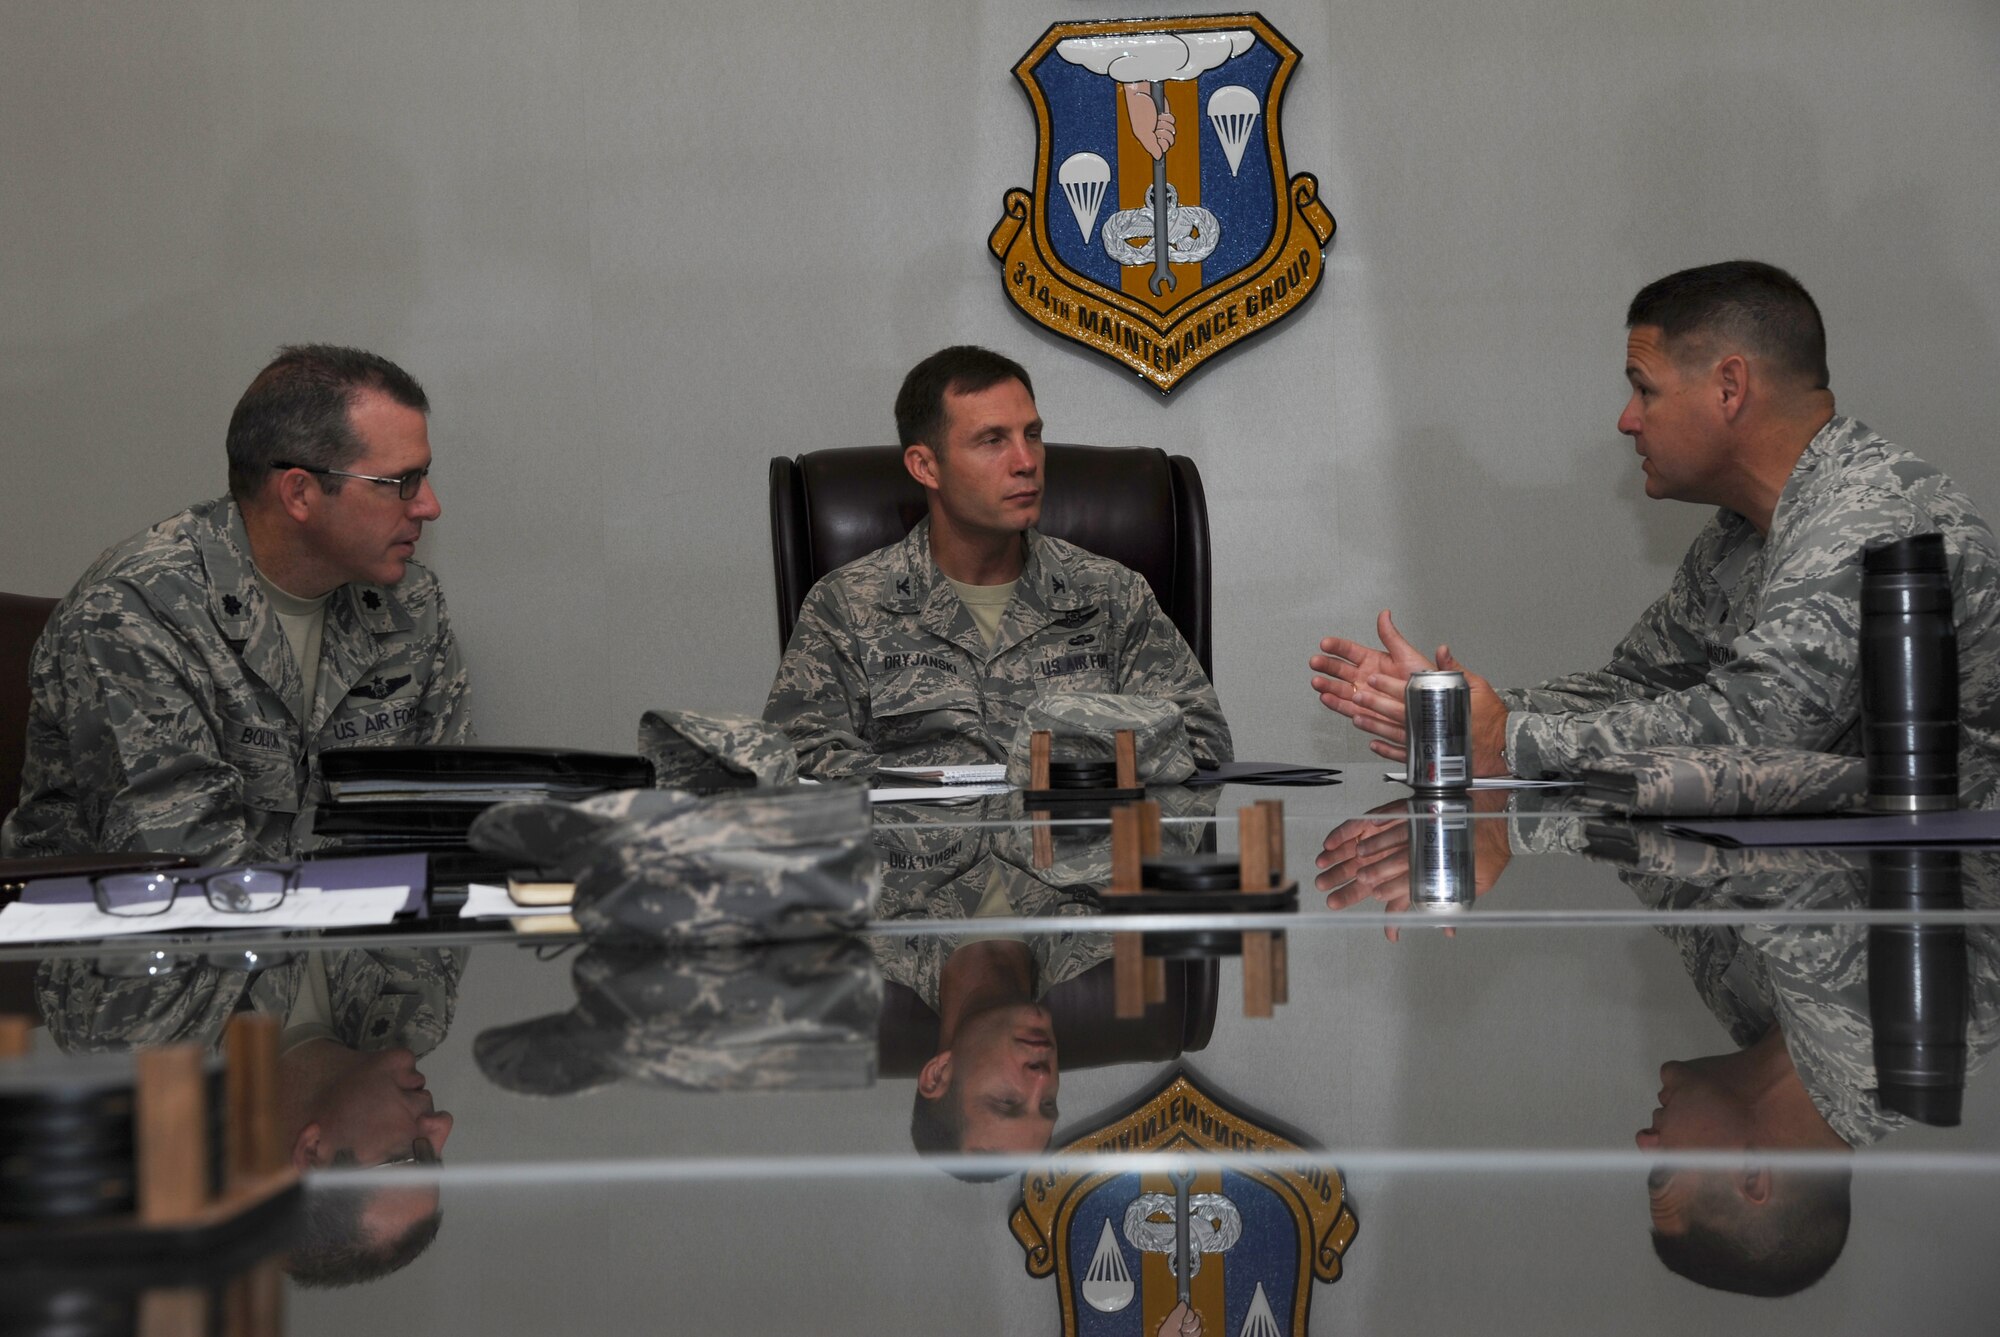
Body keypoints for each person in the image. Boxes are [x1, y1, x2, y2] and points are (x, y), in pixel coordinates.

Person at [1310, 261, 2000, 797]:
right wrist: (1457, 711)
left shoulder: (1871, 517)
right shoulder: (1743, 530)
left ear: (1730, 388)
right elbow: (1638, 689)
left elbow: (1761, 728)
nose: (1626, 419)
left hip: (1921, 935)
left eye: (1645, 388)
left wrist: (1510, 739)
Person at [3, 345, 472, 863]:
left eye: (424, 476)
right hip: (144, 933)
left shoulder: (410, 602)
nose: (429, 506)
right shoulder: (136, 612)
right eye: (402, 482)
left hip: (351, 935)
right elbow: (182, 869)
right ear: (300, 494)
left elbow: (441, 829)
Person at [765, 345, 1231, 779]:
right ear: (925, 467)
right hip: (920, 863)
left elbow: (1204, 744)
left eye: (1033, 435)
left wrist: (1065, 764)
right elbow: (795, 756)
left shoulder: (1110, 594)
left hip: (1075, 861)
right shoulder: (847, 605)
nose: (1026, 460)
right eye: (993, 440)